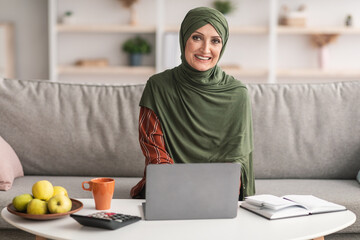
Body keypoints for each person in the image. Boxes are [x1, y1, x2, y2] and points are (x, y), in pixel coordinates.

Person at [130, 7, 255, 200]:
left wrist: (213, 193)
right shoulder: (158, 86)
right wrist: (177, 188)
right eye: (197, 37)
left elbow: (237, 160)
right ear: (184, 39)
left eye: (215, 40)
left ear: (223, 45)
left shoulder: (237, 93)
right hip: (168, 187)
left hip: (219, 191)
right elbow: (155, 152)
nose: (205, 49)